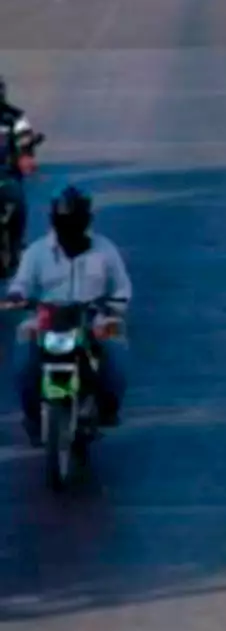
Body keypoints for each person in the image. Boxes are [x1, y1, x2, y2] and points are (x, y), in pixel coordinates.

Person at [8, 187, 131, 446]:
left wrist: (112, 308)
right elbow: (21, 284)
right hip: (46, 318)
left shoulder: (104, 250)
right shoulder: (37, 252)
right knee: (22, 355)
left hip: (93, 316)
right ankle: (32, 413)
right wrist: (18, 296)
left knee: (116, 347)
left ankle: (108, 406)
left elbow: (122, 288)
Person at [0, 79, 37, 263]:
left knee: (18, 203)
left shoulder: (15, 117)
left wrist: (25, 157)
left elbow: (25, 140)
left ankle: (16, 243)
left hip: (7, 175)